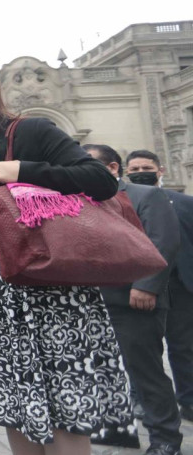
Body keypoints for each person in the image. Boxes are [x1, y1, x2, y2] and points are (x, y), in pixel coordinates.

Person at [0, 59, 128, 454]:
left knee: (60, 391)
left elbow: (101, 180)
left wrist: (24, 170)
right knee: (10, 397)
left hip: (38, 278)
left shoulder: (28, 131)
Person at [83, 145, 181, 455]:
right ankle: (114, 428)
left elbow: (163, 241)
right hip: (93, 300)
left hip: (135, 300)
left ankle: (165, 439)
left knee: (145, 372)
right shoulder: (80, 200)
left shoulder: (144, 195)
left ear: (112, 168)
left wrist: (147, 286)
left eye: (86, 166)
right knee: (101, 369)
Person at [123, 150, 193, 422]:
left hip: (180, 285)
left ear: (160, 170)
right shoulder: (120, 203)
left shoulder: (186, 203)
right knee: (140, 349)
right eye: (135, 167)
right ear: (126, 172)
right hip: (136, 286)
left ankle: (188, 400)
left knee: (184, 346)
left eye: (146, 166)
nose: (141, 171)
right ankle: (140, 398)